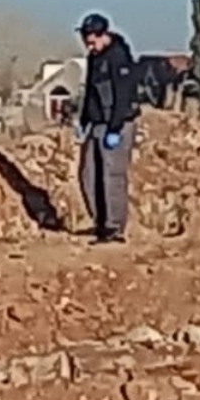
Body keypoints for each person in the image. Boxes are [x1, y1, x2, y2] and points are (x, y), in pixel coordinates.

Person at [75, 13, 138, 244]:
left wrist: (115, 127)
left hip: (116, 124)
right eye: (86, 42)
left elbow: (123, 95)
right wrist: (84, 120)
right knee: (88, 174)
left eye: (92, 42)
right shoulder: (94, 58)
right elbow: (90, 92)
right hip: (97, 123)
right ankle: (100, 222)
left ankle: (114, 228)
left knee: (112, 176)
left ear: (103, 35)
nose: (89, 46)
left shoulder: (118, 56)